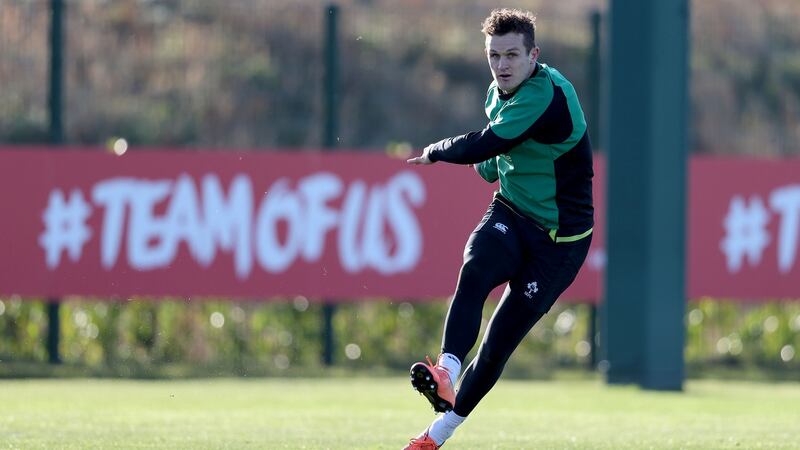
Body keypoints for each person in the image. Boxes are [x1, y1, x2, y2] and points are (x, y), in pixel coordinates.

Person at [402, 8, 594, 449]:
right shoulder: (498, 93)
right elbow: (493, 160)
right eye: (494, 56)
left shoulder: (545, 95)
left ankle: (437, 435)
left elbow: (488, 144)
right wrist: (492, 156)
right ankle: (446, 372)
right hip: (511, 211)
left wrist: (436, 151)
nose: (503, 66)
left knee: (496, 345)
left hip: (559, 242)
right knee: (475, 268)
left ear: (533, 56)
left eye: (512, 55)